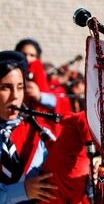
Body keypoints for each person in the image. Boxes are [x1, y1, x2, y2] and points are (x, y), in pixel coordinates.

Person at [0, 50, 57, 203]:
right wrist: (21, 191)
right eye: (6, 87)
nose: (15, 96)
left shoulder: (39, 131)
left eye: (20, 87)